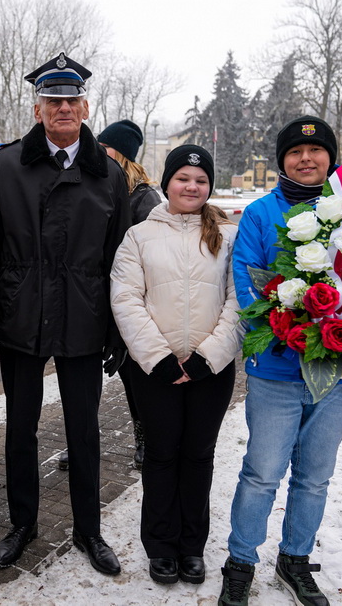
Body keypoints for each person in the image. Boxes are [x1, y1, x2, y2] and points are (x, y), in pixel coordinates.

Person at [219, 116, 342, 606]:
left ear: (329, 158)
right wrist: (291, 332)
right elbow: (248, 286)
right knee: (262, 472)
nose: (306, 158)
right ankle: (241, 560)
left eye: (316, 151)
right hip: (277, 369)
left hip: (340, 374)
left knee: (314, 476)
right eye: (295, 152)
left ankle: (295, 558)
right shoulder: (259, 214)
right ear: (282, 161)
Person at [0, 52, 132, 576]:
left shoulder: (108, 174)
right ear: (38, 108)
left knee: (84, 429)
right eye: (52, 100)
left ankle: (89, 527)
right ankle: (23, 523)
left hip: (84, 321)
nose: (62, 108)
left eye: (71, 100)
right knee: (20, 427)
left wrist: (116, 328)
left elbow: (119, 260)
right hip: (22, 319)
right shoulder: (4, 165)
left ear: (85, 106)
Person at [111, 145, 242, 586]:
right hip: (155, 371)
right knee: (162, 455)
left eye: (201, 179)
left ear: (210, 186)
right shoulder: (139, 236)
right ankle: (161, 546)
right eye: (183, 178)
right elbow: (126, 299)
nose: (192, 186)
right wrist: (161, 359)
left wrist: (207, 359)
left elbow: (239, 302)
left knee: (198, 455)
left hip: (212, 370)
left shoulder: (228, 235)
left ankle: (192, 546)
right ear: (167, 182)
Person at [58, 118, 160, 472]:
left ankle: (144, 438)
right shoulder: (90, 183)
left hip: (131, 299)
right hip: (94, 295)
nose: (98, 153)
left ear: (126, 157)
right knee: (85, 383)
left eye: (107, 150)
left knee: (135, 376)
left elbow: (153, 254)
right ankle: (81, 442)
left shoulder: (145, 197)